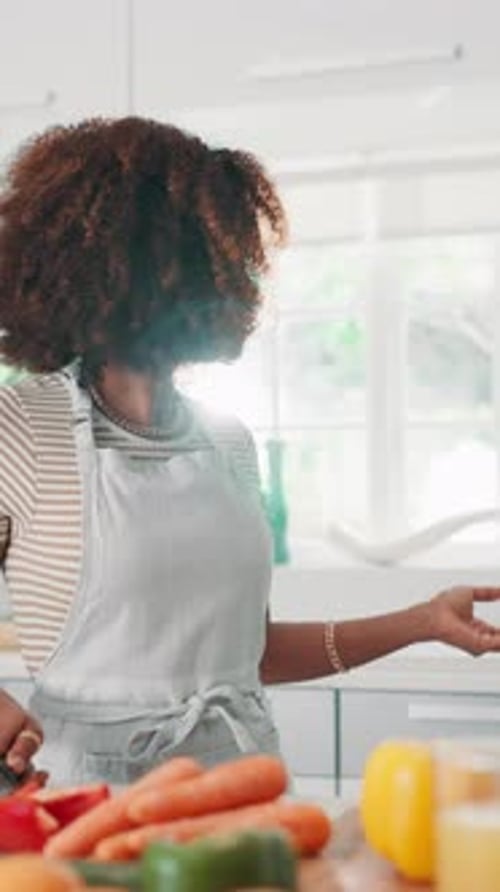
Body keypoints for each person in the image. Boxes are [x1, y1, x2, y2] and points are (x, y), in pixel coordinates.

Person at [0, 117, 500, 787]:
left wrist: (421, 621)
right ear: (106, 264)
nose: (227, 276)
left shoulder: (226, 440)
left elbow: (250, 656)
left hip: (244, 788)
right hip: (85, 803)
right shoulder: (22, 426)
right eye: (206, 254)